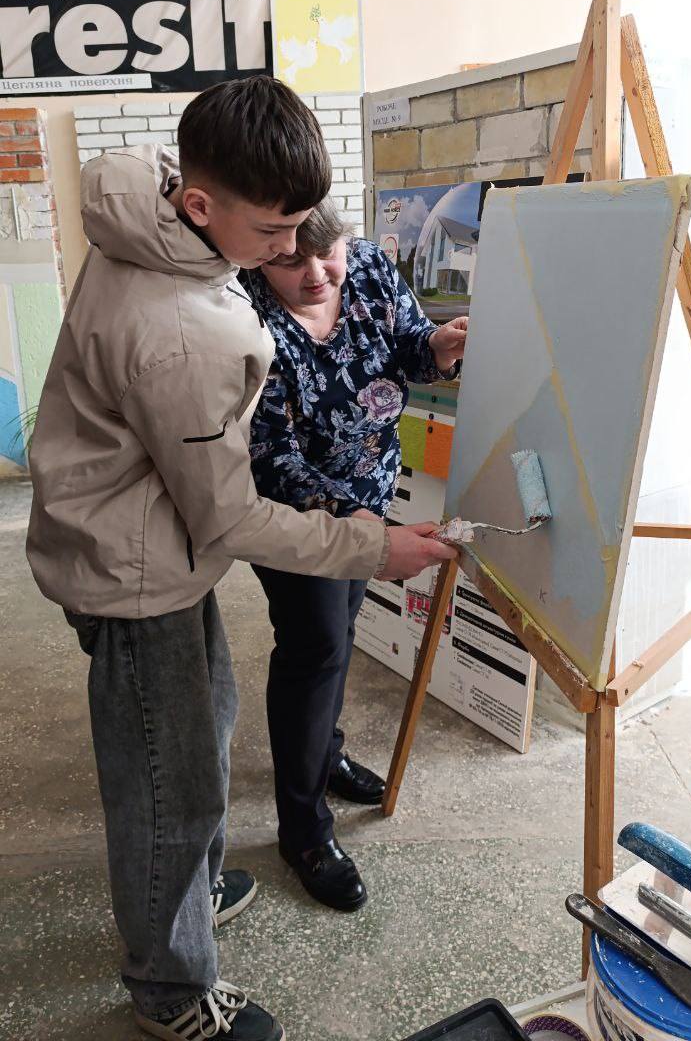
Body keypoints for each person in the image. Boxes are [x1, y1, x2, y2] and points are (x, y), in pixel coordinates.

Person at [25, 78, 457, 1041]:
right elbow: (228, 519)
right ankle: (170, 988)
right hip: (132, 571)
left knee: (202, 728)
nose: (296, 251)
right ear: (198, 204)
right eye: (274, 232)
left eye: (306, 226)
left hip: (145, 543)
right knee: (168, 785)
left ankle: (182, 891)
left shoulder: (157, 216)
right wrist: (370, 546)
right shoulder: (187, 334)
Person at [246, 198, 467, 913]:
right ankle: (303, 828)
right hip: (297, 518)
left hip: (371, 489)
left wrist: (437, 347)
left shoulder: (369, 265)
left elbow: (406, 345)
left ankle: (325, 751)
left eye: (329, 253)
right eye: (291, 260)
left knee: (338, 632)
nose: (316, 273)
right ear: (262, 254)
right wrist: (357, 528)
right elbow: (265, 455)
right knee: (313, 645)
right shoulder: (241, 311)